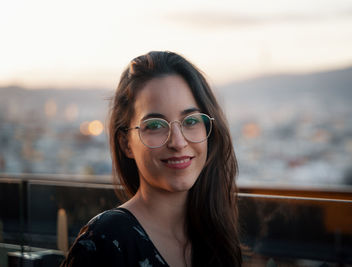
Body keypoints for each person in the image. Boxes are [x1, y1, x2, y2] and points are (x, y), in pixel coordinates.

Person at [61, 51, 242, 267]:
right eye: (155, 125)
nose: (178, 142)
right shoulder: (106, 240)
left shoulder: (216, 236)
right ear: (126, 143)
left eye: (191, 121)